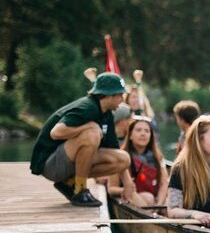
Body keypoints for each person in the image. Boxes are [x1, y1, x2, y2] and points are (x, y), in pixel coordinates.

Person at [29, 72, 134, 206]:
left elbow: (113, 149)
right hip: (50, 164)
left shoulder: (106, 114)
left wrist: (127, 183)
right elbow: (55, 132)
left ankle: (68, 183)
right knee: (92, 133)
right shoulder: (87, 107)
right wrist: (88, 127)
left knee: (123, 159)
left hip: (67, 160)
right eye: (120, 95)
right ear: (109, 95)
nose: (122, 99)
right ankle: (80, 190)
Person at [108, 116, 168, 207]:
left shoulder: (158, 158)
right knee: (149, 198)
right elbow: (111, 189)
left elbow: (164, 184)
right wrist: (126, 189)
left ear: (151, 136)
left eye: (147, 131)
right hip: (134, 197)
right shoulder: (121, 157)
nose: (143, 134)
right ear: (130, 135)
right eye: (138, 130)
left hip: (155, 200)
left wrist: (159, 205)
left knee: (165, 203)